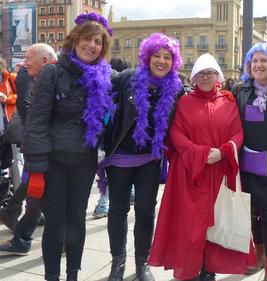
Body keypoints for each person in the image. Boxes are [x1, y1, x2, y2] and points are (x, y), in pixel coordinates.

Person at [20, 13, 115, 281]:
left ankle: (72, 275)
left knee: (77, 222)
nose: (92, 45)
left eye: (97, 41)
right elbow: (36, 121)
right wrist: (37, 166)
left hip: (84, 161)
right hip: (54, 161)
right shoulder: (52, 71)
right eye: (87, 39)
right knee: (55, 224)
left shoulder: (104, 76)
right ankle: (52, 277)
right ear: (74, 40)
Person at [149, 53, 250, 281]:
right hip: (191, 174)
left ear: (218, 76)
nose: (206, 77)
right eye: (201, 73)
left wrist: (223, 151)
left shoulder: (228, 102)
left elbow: (238, 132)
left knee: (215, 223)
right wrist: (200, 154)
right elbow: (176, 133)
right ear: (194, 77)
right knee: (191, 226)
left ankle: (208, 269)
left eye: (210, 73)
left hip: (218, 173)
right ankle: (192, 268)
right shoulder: (184, 102)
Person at [99, 33, 183, 281]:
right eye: (156, 55)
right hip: (120, 158)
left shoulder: (176, 88)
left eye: (167, 57)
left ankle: (142, 263)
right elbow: (99, 99)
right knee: (117, 210)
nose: (161, 61)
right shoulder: (127, 79)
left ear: (173, 61)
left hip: (150, 159)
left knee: (146, 212)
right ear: (147, 57)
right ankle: (118, 263)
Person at [232, 42, 267, 280]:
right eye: (254, 61)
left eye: (264, 60)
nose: (258, 65)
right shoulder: (241, 91)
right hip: (248, 163)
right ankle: (260, 256)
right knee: (252, 213)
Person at [0, 43, 57, 256]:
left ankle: (15, 217)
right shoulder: (27, 76)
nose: (24, 62)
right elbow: (28, 110)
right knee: (36, 187)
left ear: (44, 60)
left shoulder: (53, 75)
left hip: (46, 146)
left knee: (38, 188)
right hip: (37, 144)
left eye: (29, 57)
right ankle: (20, 229)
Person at [92, 56, 132, 220]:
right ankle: (104, 203)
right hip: (116, 146)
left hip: (107, 145)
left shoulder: (109, 91)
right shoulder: (124, 91)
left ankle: (103, 203)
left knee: (106, 175)